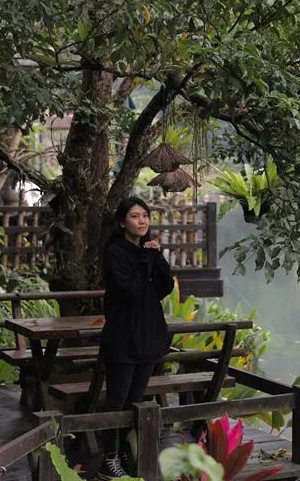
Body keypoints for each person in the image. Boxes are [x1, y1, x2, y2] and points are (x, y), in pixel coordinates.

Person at [98, 196, 175, 480]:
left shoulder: (148, 251)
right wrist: (147, 259)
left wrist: (157, 257)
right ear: (122, 222)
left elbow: (164, 287)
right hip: (122, 335)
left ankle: (128, 452)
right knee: (117, 400)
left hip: (148, 334)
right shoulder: (115, 251)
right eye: (134, 216)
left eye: (145, 215)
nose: (142, 221)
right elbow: (131, 290)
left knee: (136, 399)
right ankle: (109, 458)